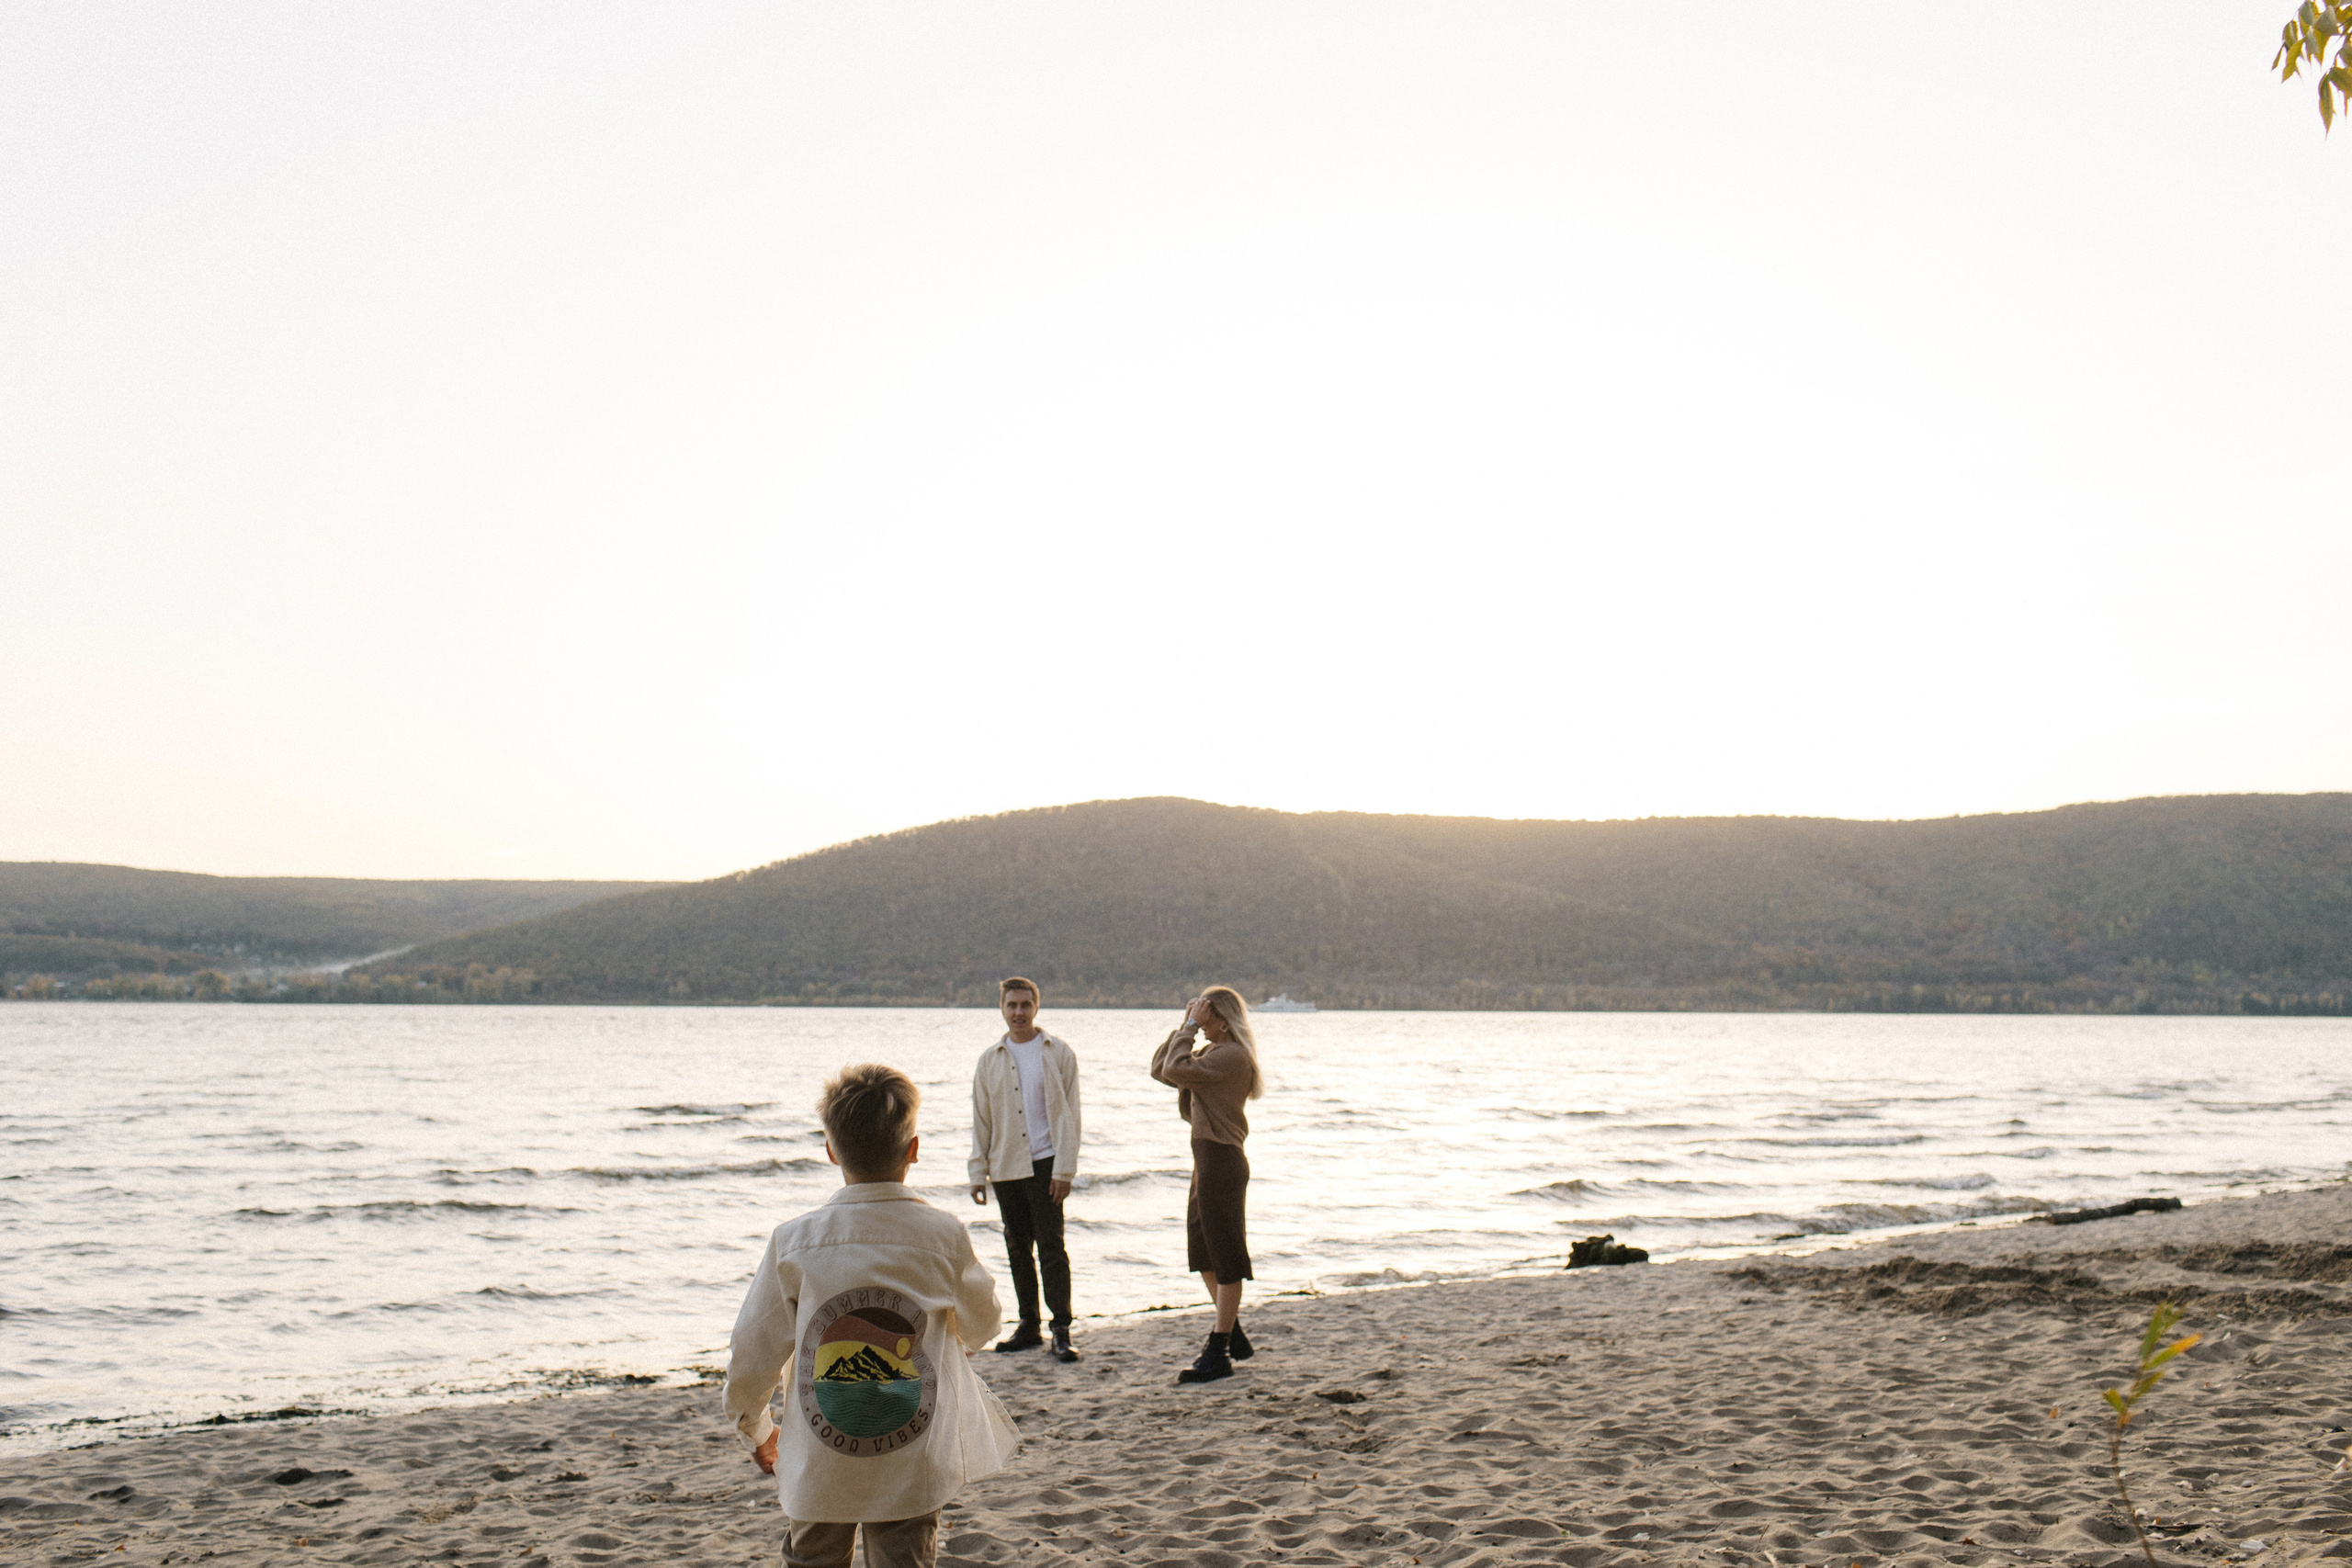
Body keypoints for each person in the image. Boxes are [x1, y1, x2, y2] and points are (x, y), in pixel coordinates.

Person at [724, 1063, 1018, 1568]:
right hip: (913, 1455)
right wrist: (960, 1332)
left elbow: (753, 1351)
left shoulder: (794, 1243)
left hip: (821, 1459)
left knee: (812, 1558)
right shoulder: (942, 1235)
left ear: (832, 1150)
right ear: (913, 1150)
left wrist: (755, 1426)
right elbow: (985, 1322)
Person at [1148, 985, 1265, 1386]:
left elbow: (1175, 1069)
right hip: (1206, 1161)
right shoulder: (1213, 1053)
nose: (1199, 1018)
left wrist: (1189, 1029)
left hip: (1222, 1160)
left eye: (1204, 1012)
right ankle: (1232, 1332)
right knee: (1203, 1251)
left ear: (1220, 1015)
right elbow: (1161, 1069)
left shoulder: (1231, 1056)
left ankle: (1219, 1350)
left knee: (1225, 1253)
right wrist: (1186, 1026)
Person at [967, 976, 1083, 1362]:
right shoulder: (989, 1061)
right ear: (1001, 1009)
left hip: (1046, 1162)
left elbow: (1071, 1117)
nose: (1018, 1012)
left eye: (1025, 1005)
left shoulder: (1058, 1053)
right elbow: (981, 1120)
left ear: (1036, 1007)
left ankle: (1062, 1329)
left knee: (1052, 1246)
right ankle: (1029, 1326)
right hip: (1005, 1166)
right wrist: (977, 1172)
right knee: (1018, 1249)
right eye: (1011, 1005)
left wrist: (1064, 1170)